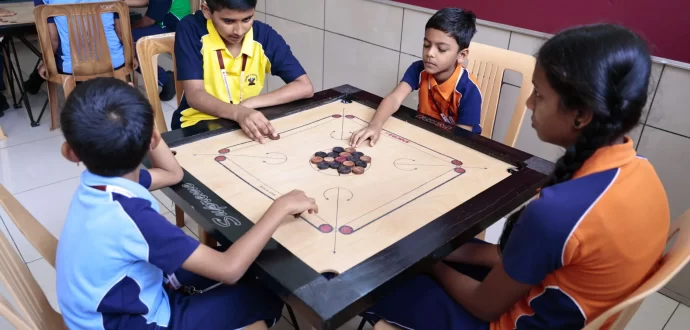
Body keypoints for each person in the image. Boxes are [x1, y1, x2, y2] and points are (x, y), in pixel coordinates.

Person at [362, 24, 670, 330]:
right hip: (562, 302)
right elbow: (521, 257)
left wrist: (431, 265)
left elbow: (484, 306)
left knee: (381, 282)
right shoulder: (642, 170)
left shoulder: (556, 214)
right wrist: (443, 250)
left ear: (581, 115)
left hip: (503, 320)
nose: (529, 104)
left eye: (539, 94)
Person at [56, 77, 319, 329]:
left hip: (111, 307)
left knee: (247, 270)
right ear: (155, 140)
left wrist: (143, 118)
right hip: (139, 321)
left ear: (69, 153)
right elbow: (229, 269)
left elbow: (173, 174)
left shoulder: (101, 186)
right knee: (266, 293)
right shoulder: (132, 218)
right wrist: (280, 207)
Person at [173, 0, 314, 141]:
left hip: (244, 117)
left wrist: (248, 105)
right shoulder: (191, 28)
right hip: (198, 122)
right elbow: (195, 95)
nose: (239, 31)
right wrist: (238, 112)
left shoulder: (264, 36)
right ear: (207, 11)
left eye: (247, 19)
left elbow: (304, 86)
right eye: (228, 21)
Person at [349, 8, 482, 148]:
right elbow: (394, 98)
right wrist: (375, 125)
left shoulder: (469, 90)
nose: (430, 53)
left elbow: (462, 138)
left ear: (461, 55)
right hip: (423, 134)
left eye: (441, 49)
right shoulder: (419, 69)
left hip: (452, 145)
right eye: (426, 45)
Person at [24, 0, 127, 94]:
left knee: (58, 53)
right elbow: (121, 33)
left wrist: (46, 64)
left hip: (73, 66)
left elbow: (53, 40)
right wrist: (132, 57)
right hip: (114, 62)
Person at [127, 0, 191, 101]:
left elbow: (148, 21)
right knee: (126, 41)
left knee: (128, 41)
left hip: (175, 29)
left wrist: (128, 29)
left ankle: (165, 79)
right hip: (172, 24)